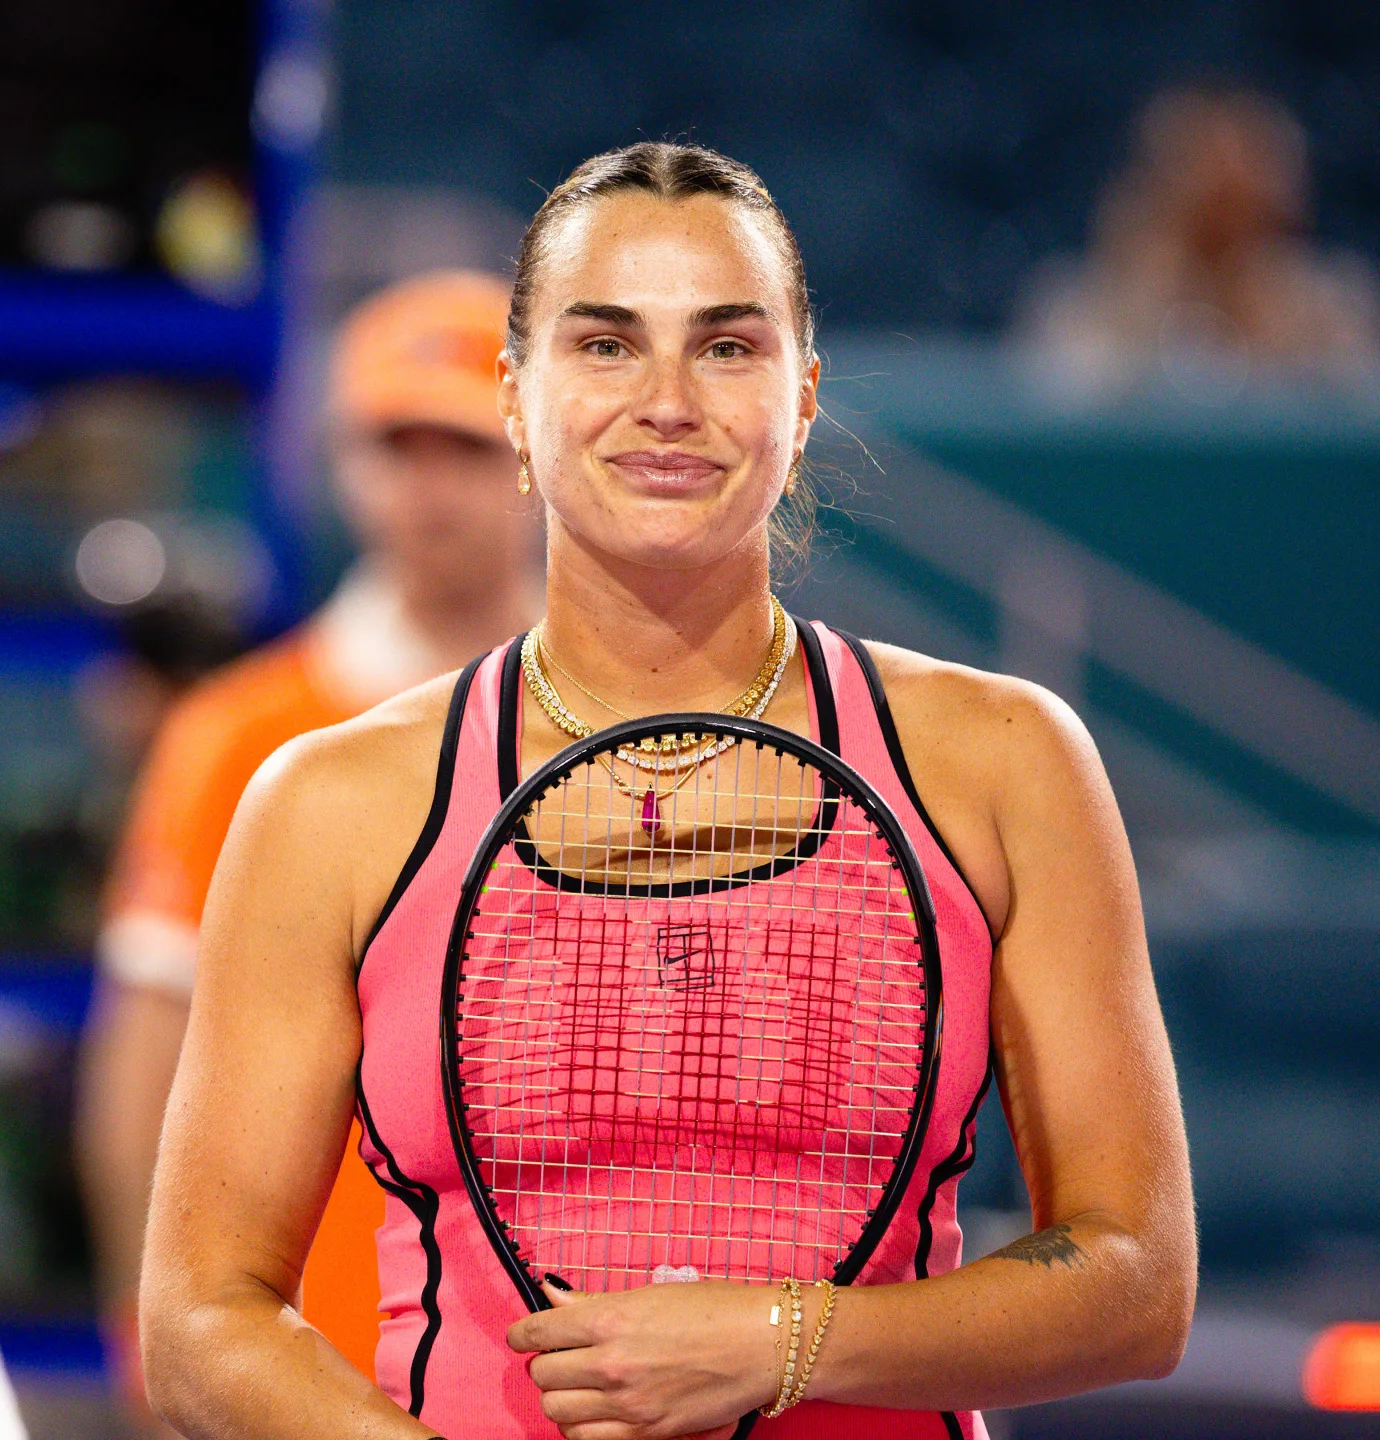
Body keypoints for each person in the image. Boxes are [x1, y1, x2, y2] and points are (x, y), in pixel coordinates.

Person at [140, 143, 1195, 1439]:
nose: (667, 403)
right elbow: (200, 1322)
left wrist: (785, 1342)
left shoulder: (1009, 761)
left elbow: (1138, 1277)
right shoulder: (327, 802)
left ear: (803, 402)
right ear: (514, 398)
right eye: (605, 345)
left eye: (727, 348)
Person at [77, 270, 541, 1423]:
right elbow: (144, 1065)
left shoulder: (643, 734)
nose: (428, 488)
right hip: (306, 1374)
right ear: (343, 464)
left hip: (576, 1372)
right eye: (396, 446)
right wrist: (156, 1340)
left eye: (465, 447)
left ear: (535, 457)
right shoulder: (235, 735)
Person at [1017, 86, 1380, 396]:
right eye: (1208, 202)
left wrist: (1281, 336)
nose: (1225, 223)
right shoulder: (1074, 305)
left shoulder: (1333, 305)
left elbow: (1355, 413)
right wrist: (1140, 308)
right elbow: (1060, 403)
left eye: (1242, 202)